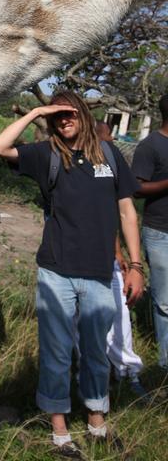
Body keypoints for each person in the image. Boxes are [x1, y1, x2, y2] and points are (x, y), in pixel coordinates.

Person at [0, 92, 143, 459]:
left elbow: (127, 213)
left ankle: (96, 421)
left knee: (95, 352)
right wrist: (38, 112)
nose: (63, 120)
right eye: (56, 116)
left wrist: (135, 265)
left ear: (84, 113)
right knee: (57, 353)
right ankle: (60, 431)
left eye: (69, 112)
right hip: (56, 272)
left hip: (99, 272)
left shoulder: (110, 156)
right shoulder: (46, 156)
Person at [96, 122, 145, 395]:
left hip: (110, 258)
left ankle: (127, 371)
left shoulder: (113, 162)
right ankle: (96, 375)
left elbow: (121, 214)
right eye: (105, 135)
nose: (110, 139)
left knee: (120, 316)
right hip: (81, 259)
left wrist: (122, 255)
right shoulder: (73, 162)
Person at [131, 94, 168, 371]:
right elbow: (137, 187)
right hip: (159, 232)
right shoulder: (150, 146)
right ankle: (166, 363)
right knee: (165, 302)